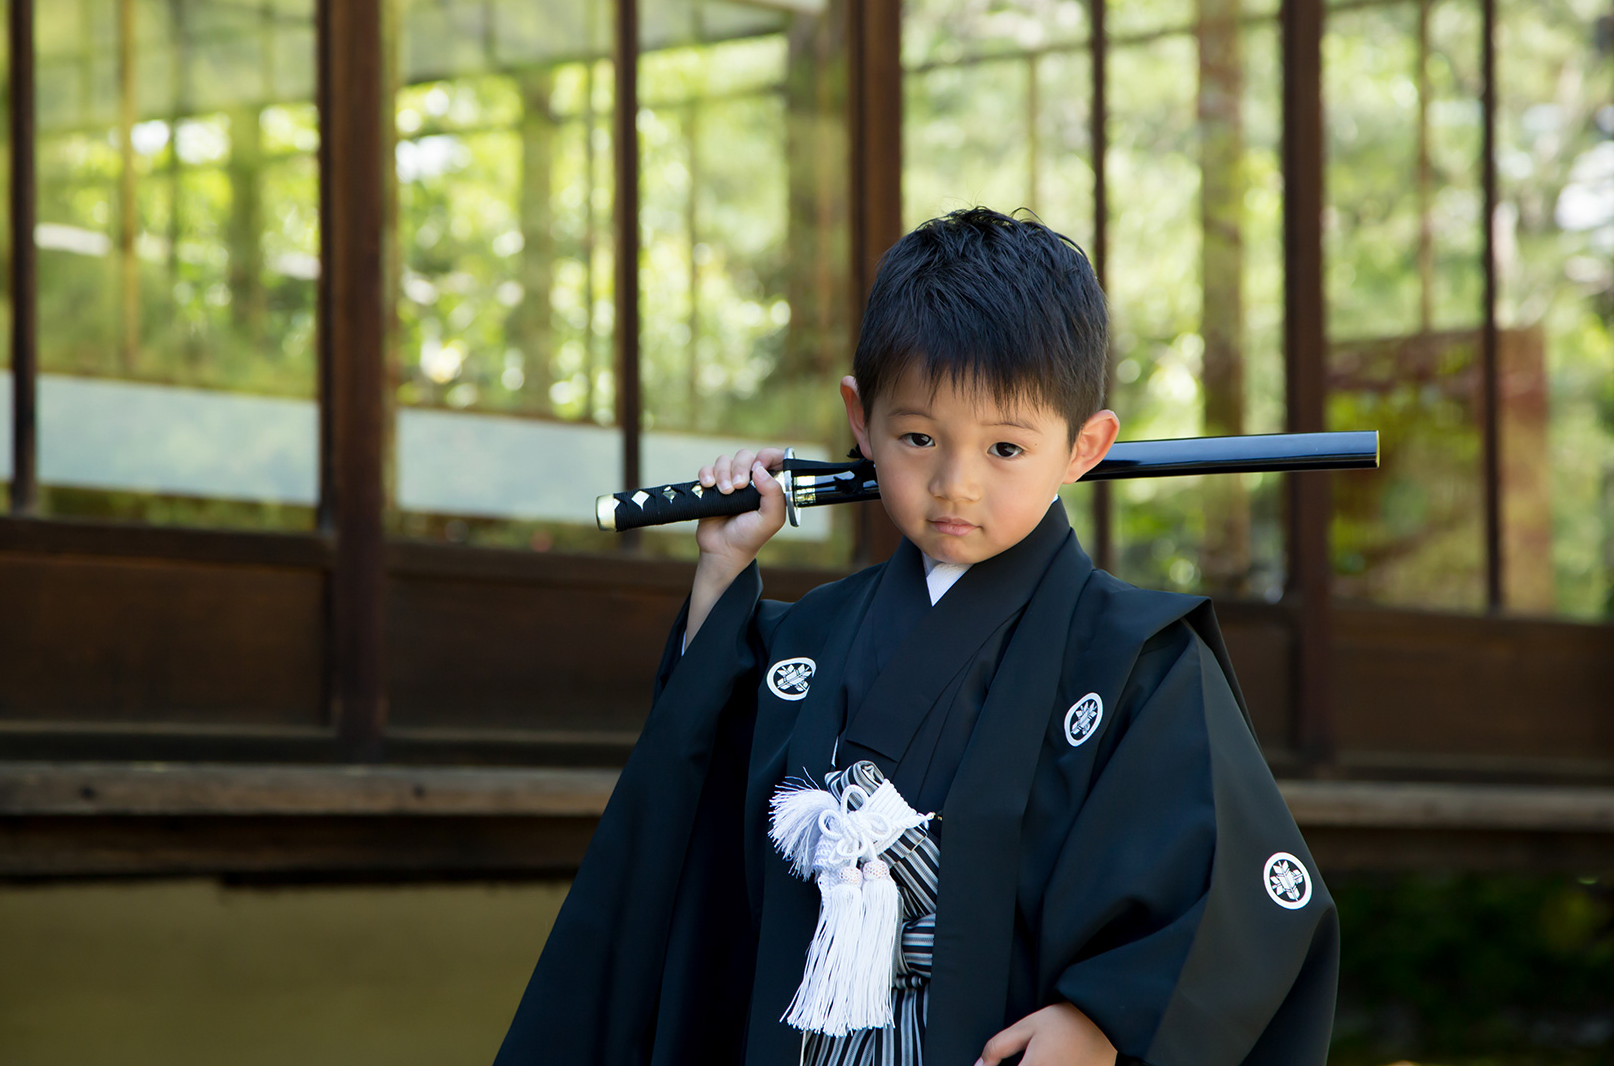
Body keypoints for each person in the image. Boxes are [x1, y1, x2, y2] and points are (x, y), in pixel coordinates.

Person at [494, 208, 1338, 1066]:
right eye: (919, 437)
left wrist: (1103, 1019)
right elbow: (696, 797)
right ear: (860, 422)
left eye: (1006, 447)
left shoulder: (1134, 659)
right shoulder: (814, 636)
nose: (954, 484)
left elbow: (1237, 892)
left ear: (1086, 445)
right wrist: (722, 568)